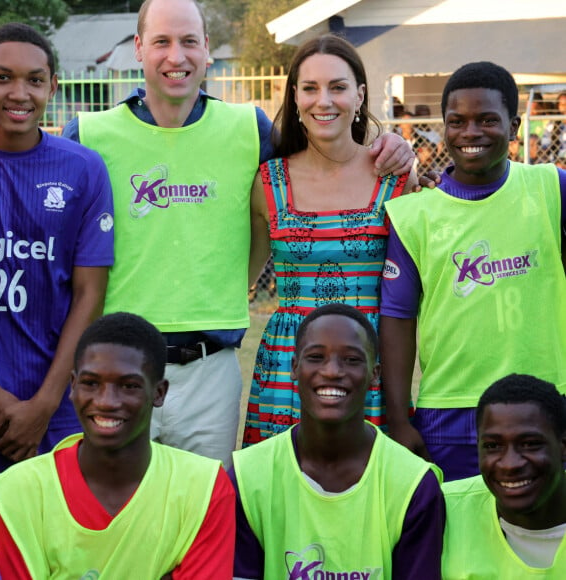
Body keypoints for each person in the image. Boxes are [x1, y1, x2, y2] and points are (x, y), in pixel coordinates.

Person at [62, 0, 414, 467]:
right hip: (119, 365)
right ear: (139, 48)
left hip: (213, 366)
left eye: (189, 41)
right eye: (162, 41)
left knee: (210, 515)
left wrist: (393, 145)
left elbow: (323, 156)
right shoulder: (87, 134)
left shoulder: (249, 130)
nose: (176, 56)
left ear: (208, 49)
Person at [380, 61, 566, 481]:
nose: (471, 133)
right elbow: (397, 319)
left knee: (546, 537)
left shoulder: (550, 188)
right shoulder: (414, 215)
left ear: (514, 126)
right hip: (451, 412)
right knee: (458, 536)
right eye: (457, 121)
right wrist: (399, 418)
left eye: (487, 120)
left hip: (547, 403)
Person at [242, 34, 416, 445]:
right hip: (289, 367)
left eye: (337, 87)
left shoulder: (397, 178)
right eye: (310, 88)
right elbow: (239, 277)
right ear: (296, 99)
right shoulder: (267, 181)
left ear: (359, 97)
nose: (324, 101)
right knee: (282, 496)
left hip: (368, 365)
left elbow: (411, 292)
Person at [0, 312, 235, 579]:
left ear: (159, 393)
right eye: (91, 383)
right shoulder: (16, 492)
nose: (106, 401)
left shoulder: (205, 487)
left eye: (129, 386)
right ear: (73, 386)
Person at [0, 23, 113, 483]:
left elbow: (89, 294)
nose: (19, 92)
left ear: (52, 86)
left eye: (34, 79)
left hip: (56, 404)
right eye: (2, 77)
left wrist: (43, 404)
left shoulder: (82, 167)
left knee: (51, 548)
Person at [232, 304, 444, 579]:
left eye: (352, 359)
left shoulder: (414, 484)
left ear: (374, 374)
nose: (332, 371)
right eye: (316, 357)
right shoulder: (247, 478)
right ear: (295, 367)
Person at [442, 374, 566, 578]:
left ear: (563, 446)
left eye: (530, 444)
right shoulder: (443, 510)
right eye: (493, 446)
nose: (510, 464)